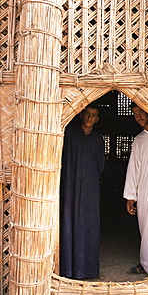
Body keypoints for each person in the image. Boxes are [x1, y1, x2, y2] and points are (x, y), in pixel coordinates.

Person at [60, 103, 105, 280]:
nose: (89, 118)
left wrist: (88, 178)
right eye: (87, 114)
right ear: (81, 115)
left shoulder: (97, 140)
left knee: (89, 223)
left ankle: (89, 269)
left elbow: (100, 165)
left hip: (90, 190)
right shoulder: (70, 134)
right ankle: (68, 269)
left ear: (97, 119)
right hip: (70, 186)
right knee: (69, 221)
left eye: (93, 115)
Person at [123, 103, 148, 276]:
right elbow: (134, 168)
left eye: (141, 112)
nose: (138, 116)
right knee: (146, 226)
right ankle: (146, 263)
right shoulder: (138, 140)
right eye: (134, 114)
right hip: (145, 189)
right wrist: (131, 196)